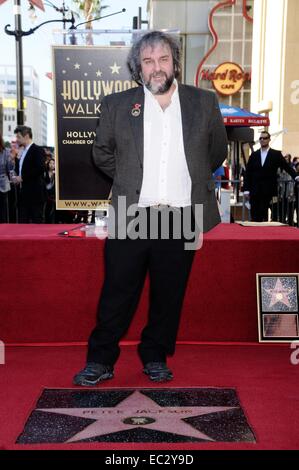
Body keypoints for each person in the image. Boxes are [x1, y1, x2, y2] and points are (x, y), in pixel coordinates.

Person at [74, 31, 227, 386]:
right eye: (147, 61)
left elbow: (214, 152)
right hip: (132, 212)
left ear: (174, 63)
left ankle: (155, 355)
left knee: (169, 293)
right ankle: (100, 360)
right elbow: (102, 152)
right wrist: (130, 180)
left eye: (162, 60)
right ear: (138, 68)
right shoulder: (117, 104)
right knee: (117, 291)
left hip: (182, 215)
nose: (156, 68)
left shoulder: (203, 102)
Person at [243, 131, 299, 222]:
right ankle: (254, 234)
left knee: (264, 214)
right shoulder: (254, 155)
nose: (262, 140)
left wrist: (296, 176)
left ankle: (263, 235)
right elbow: (248, 173)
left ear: (269, 140)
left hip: (268, 190)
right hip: (254, 190)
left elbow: (286, 167)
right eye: (260, 138)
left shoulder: (276, 154)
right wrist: (246, 189)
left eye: (264, 138)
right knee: (254, 216)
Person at [13, 126, 46, 223]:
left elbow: (40, 168)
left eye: (19, 137)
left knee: (37, 223)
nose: (17, 140)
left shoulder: (37, 150)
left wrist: (22, 178)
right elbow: (21, 170)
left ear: (26, 136)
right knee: (22, 223)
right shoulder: (22, 152)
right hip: (23, 194)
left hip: (35, 194)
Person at [0, 133, 15, 223]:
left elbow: (10, 168)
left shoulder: (5, 152)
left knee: (3, 211)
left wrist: (11, 160)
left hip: (3, 185)